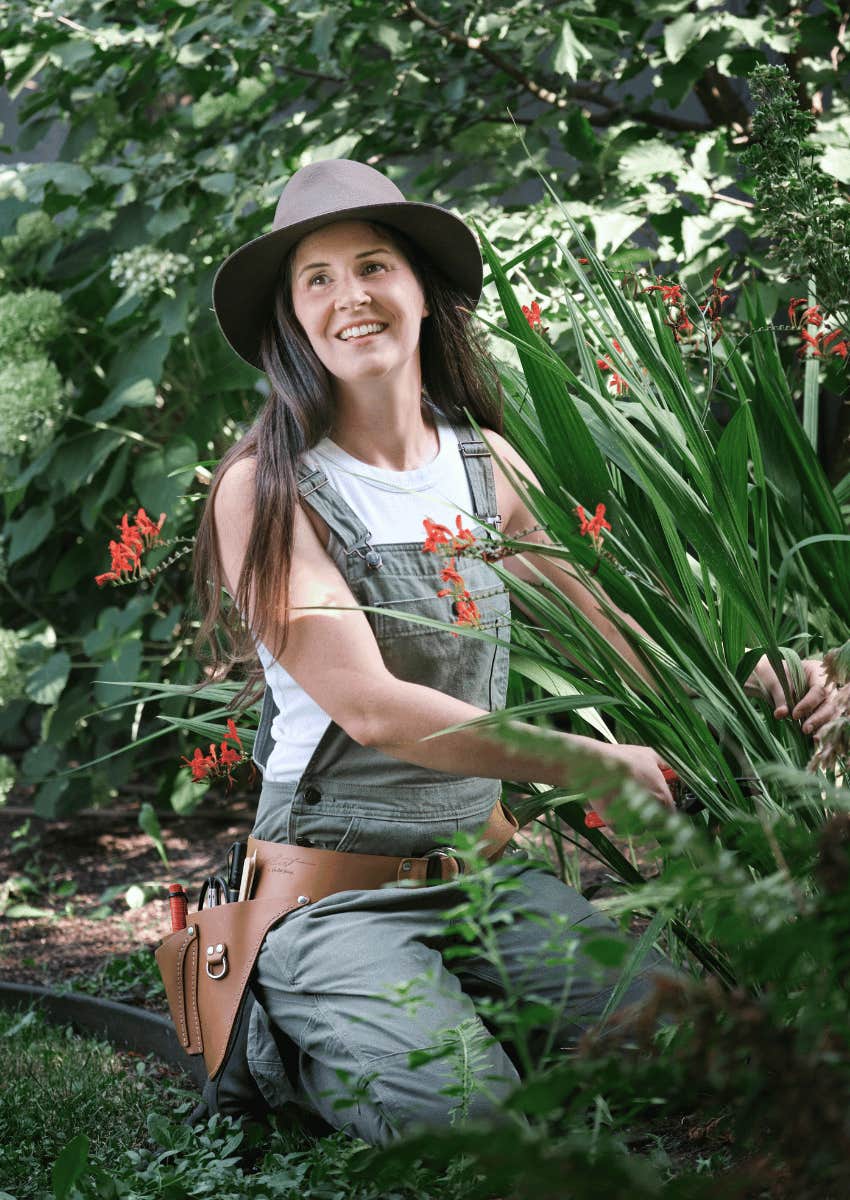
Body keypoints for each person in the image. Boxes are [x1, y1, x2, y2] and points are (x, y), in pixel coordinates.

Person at [192, 158, 839, 1143]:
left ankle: (472, 1014)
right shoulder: (269, 490)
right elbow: (370, 706)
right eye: (315, 279)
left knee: (710, 1059)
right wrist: (588, 761)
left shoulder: (486, 469)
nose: (350, 296)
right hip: (333, 902)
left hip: (486, 882)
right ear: (290, 319)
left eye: (373, 265)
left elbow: (616, 635)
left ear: (419, 291)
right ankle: (295, 1025)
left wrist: (763, 681)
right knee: (480, 1130)